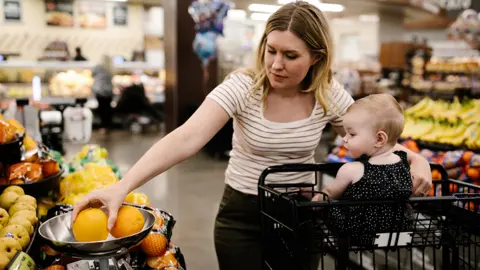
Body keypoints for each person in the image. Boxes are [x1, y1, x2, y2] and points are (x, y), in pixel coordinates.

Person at [72, 2, 432, 269]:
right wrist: (122, 186)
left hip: (300, 213)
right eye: (271, 51)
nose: (276, 64)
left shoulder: (328, 93)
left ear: (316, 58)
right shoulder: (244, 86)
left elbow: (374, 140)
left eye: (291, 55)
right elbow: (187, 138)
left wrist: (415, 159)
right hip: (240, 216)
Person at [313, 94, 413, 246]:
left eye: (352, 134)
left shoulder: (351, 169)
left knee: (327, 202)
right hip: (398, 234)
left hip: (358, 235)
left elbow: (330, 193)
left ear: (379, 139)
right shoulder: (403, 162)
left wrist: (315, 201)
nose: (344, 139)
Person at [91, 57, 114, 134]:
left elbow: (92, 74)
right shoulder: (110, 68)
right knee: (107, 109)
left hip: (100, 91)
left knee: (102, 109)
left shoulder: (99, 67)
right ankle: (108, 126)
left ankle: (103, 126)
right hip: (109, 92)